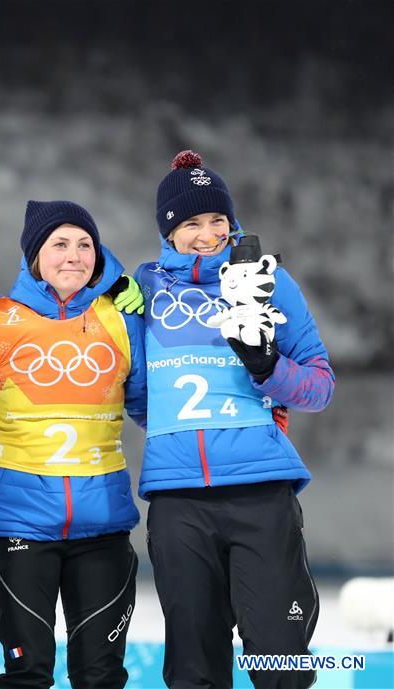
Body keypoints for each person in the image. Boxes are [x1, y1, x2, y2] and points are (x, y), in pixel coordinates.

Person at [134, 150, 335, 689]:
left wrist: (269, 368)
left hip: (260, 494)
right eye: (191, 224)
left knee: (279, 660)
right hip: (178, 501)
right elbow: (137, 390)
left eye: (217, 219)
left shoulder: (269, 282)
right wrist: (177, 432)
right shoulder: (144, 290)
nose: (207, 234)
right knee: (193, 668)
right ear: (167, 232)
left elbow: (319, 385)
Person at [0, 200, 147, 689]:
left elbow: (151, 406)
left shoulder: (123, 318)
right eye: (60, 244)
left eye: (85, 245)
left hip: (103, 527)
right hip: (20, 526)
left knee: (101, 676)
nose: (74, 255)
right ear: (34, 255)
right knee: (28, 674)